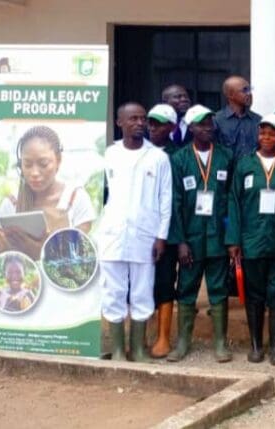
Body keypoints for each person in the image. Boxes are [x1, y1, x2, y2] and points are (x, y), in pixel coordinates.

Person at [95, 102, 172, 362]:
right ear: (120, 123)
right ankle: (118, 350)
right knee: (113, 290)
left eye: (143, 119)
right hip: (112, 234)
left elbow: (166, 199)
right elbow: (96, 194)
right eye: (133, 119)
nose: (140, 123)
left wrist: (161, 236)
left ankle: (138, 349)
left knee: (142, 290)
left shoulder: (158, 157)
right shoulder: (108, 154)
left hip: (145, 235)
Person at [226, 114, 275, 366]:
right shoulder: (245, 164)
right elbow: (234, 203)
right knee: (255, 293)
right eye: (263, 133)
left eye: (272, 133)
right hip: (251, 239)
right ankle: (257, 345)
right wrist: (233, 240)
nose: (267, 138)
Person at [165, 105, 234, 363]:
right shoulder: (180, 159)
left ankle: (219, 344)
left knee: (218, 288)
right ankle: (183, 342)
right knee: (186, 287)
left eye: (210, 124)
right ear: (191, 128)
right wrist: (180, 241)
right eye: (201, 125)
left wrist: (230, 239)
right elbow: (175, 202)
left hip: (217, 236)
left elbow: (231, 200)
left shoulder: (226, 157)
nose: (207, 128)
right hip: (191, 237)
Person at [0, 126, 95, 258]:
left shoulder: (76, 199)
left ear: (58, 160)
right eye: (27, 164)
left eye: (43, 164)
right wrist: (6, 247)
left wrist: (41, 252)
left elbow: (81, 262)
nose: (34, 173)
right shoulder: (11, 204)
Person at [145, 103, 180, 358]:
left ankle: (163, 338)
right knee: (139, 284)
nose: (153, 127)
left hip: (166, 232)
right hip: (139, 231)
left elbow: (177, 201)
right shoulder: (137, 151)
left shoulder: (178, 156)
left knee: (165, 283)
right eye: (151, 122)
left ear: (172, 127)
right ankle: (140, 338)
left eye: (159, 123)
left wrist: (174, 238)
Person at [215, 75, 261, 159]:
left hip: (253, 170)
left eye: (250, 89)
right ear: (230, 95)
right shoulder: (217, 120)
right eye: (245, 90)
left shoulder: (258, 120)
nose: (249, 94)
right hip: (228, 170)